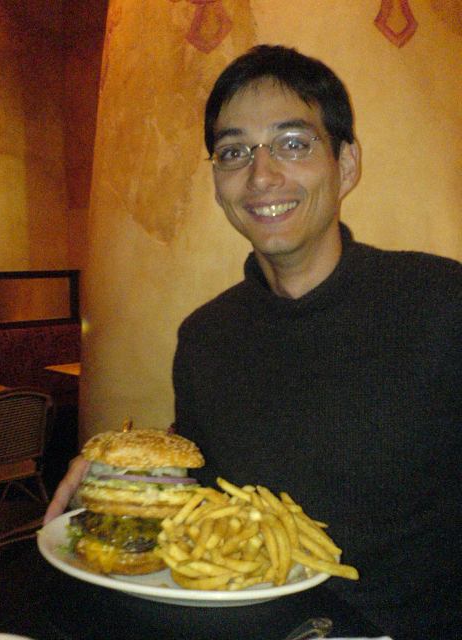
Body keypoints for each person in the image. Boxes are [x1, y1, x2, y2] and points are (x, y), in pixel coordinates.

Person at [44, 45, 462, 639]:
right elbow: (210, 484)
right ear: (217, 182)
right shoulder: (205, 336)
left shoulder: (443, 304)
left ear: (345, 164)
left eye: (293, 143)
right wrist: (130, 476)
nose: (261, 175)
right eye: (234, 151)